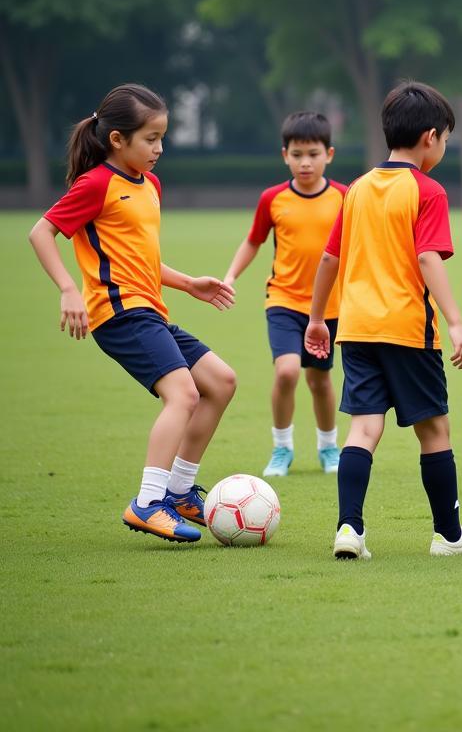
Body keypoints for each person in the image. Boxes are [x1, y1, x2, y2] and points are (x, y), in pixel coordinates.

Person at [28, 84, 237, 544]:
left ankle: (180, 494)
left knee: (221, 382)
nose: (159, 148)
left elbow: (138, 258)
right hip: (119, 313)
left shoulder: (150, 184)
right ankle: (147, 502)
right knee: (183, 395)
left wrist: (189, 284)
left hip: (149, 310)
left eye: (163, 137)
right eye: (150, 138)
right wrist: (68, 288)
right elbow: (41, 233)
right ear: (118, 139)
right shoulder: (96, 183)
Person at [305, 81, 462, 560]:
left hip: (356, 329)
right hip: (409, 330)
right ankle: (449, 538)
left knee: (364, 430)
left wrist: (315, 320)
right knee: (434, 432)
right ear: (430, 137)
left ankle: (349, 530)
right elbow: (428, 257)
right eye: (446, 139)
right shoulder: (427, 190)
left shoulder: (358, 189)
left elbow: (330, 259)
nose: (444, 147)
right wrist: (456, 322)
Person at [224, 112, 347, 478]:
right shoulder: (272, 199)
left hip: (328, 307)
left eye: (313, 153)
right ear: (284, 155)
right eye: (297, 154)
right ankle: (282, 448)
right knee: (288, 372)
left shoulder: (344, 197)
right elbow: (253, 241)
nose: (305, 162)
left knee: (320, 380)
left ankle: (328, 447)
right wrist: (230, 276)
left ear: (329, 154)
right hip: (283, 301)